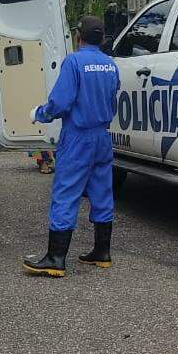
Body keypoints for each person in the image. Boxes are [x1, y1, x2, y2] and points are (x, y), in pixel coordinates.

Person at [21, 15, 119, 277]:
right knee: (102, 192)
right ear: (103, 38)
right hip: (101, 136)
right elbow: (113, 98)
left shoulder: (74, 62)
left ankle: (55, 258)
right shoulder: (110, 65)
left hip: (78, 138)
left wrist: (39, 114)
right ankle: (102, 253)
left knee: (66, 193)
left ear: (79, 37)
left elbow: (60, 103)